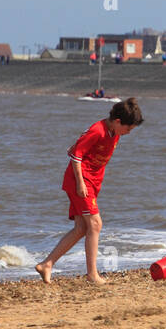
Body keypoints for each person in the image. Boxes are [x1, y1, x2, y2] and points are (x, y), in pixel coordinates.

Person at [37, 97, 144, 283]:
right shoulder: (98, 130)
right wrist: (80, 182)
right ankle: (92, 275)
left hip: (91, 183)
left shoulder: (114, 132)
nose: (128, 133)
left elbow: (74, 147)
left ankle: (47, 264)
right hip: (80, 182)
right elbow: (74, 155)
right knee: (95, 224)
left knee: (81, 228)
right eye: (128, 129)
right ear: (118, 121)